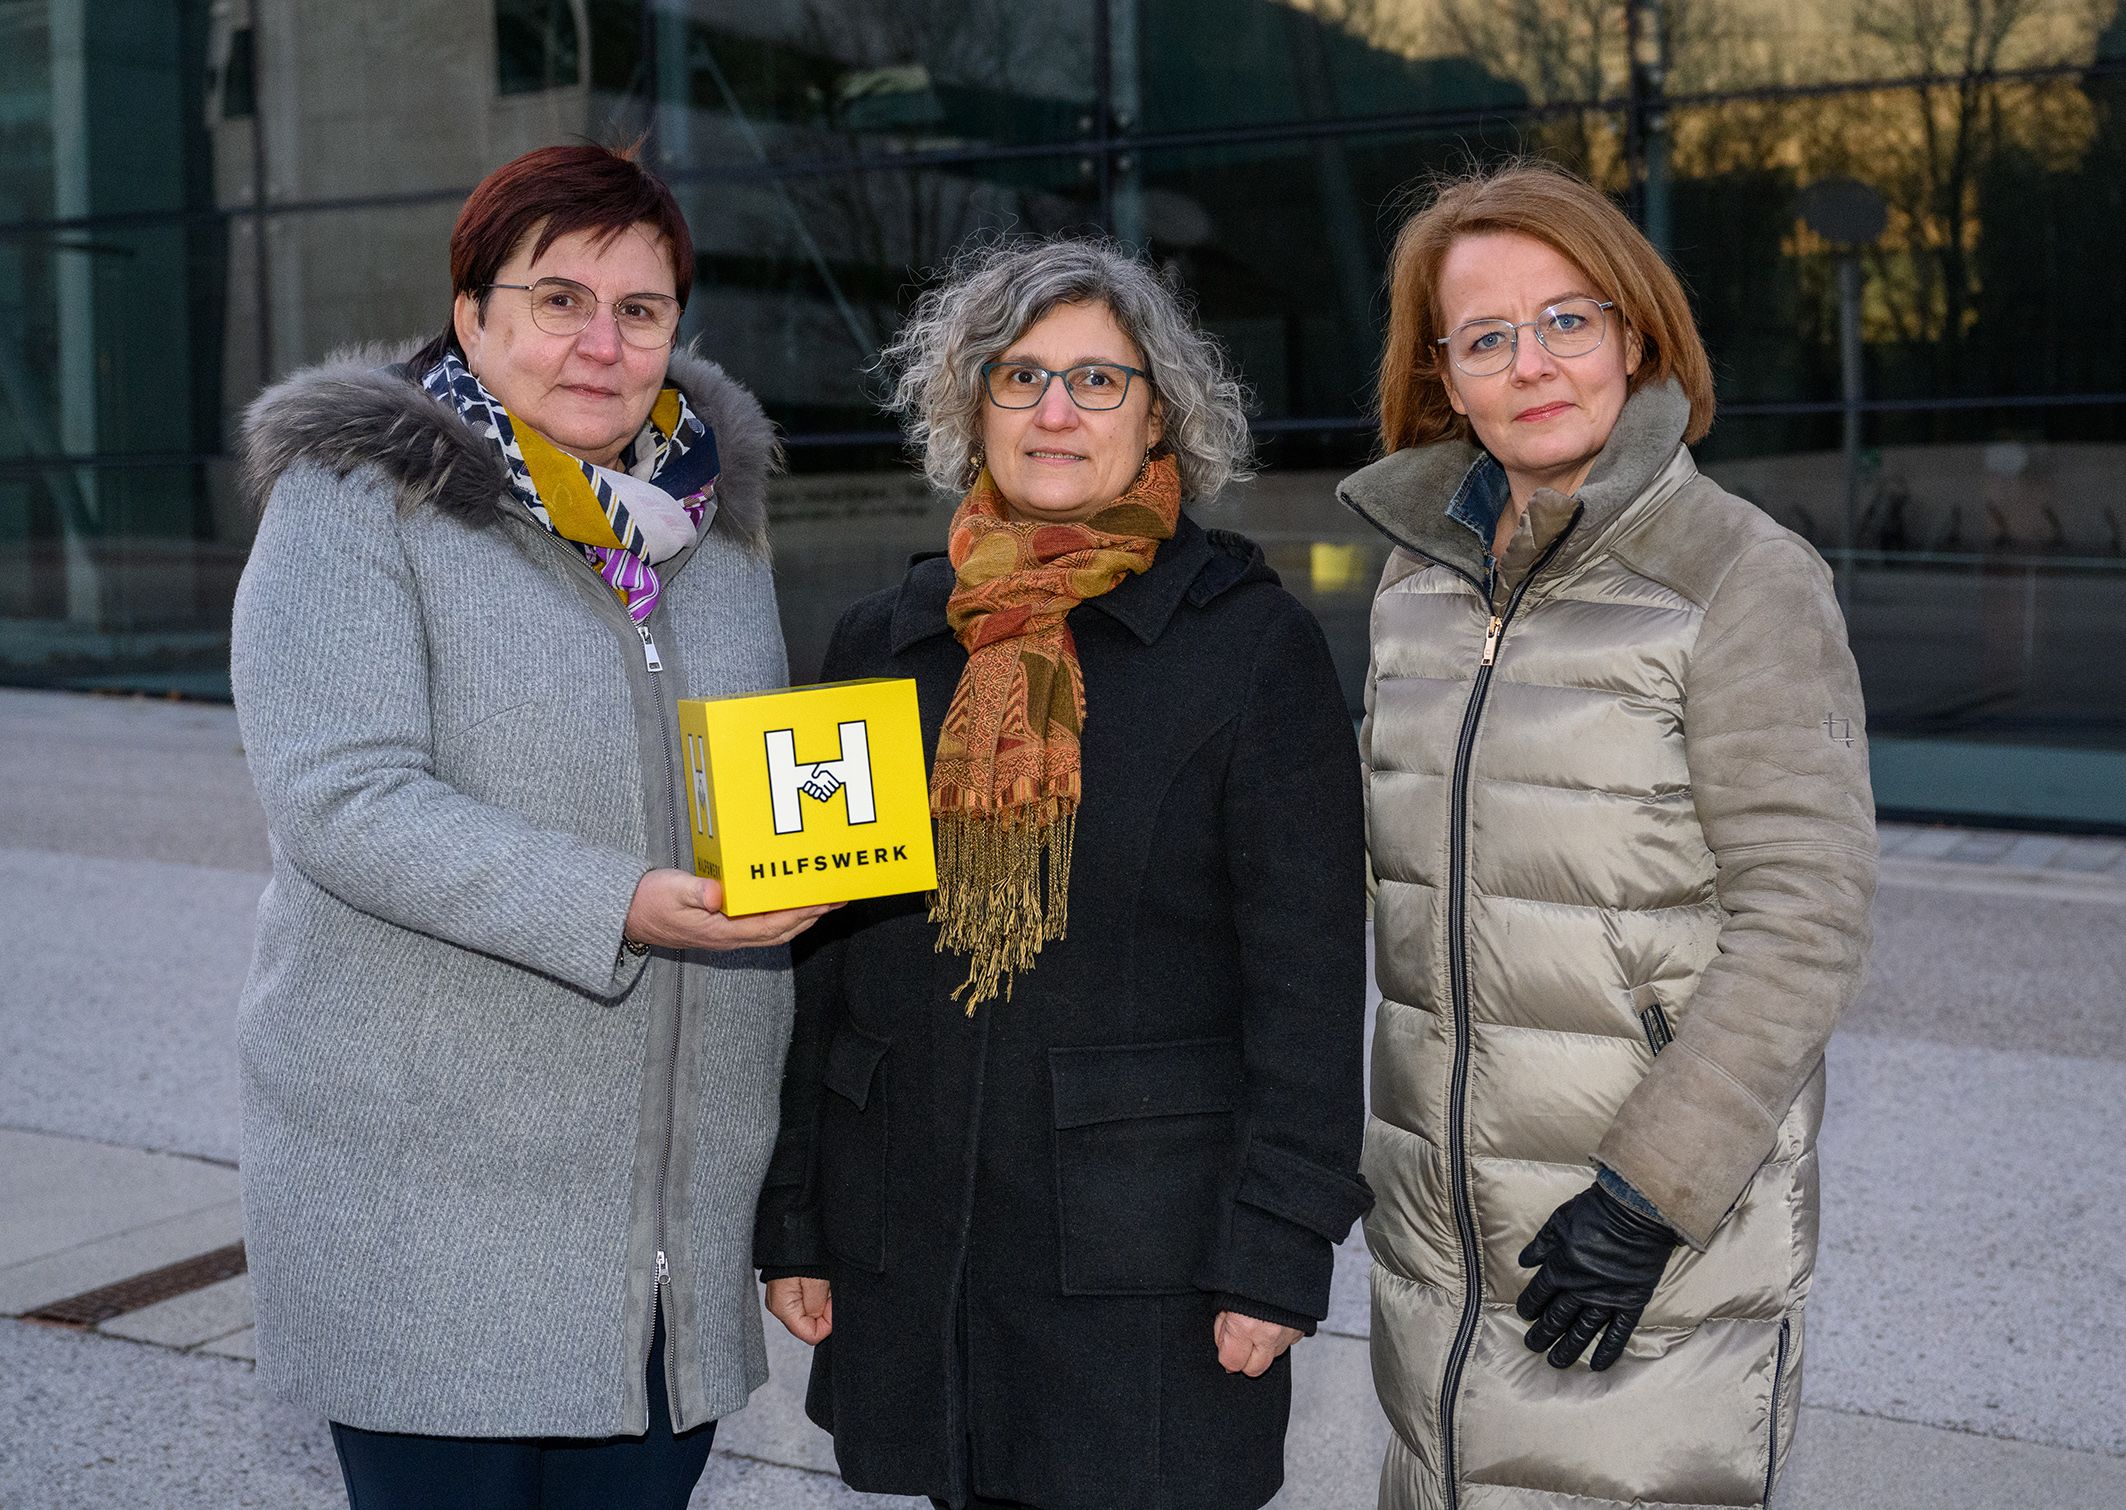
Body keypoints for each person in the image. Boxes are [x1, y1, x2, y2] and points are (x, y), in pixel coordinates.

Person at [230, 142, 832, 1510]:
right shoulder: (354, 503)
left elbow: (753, 783)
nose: (601, 343)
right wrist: (620, 897)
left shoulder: (716, 531)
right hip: (435, 1213)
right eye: (558, 299)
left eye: (641, 309)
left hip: (664, 1233)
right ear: (473, 316)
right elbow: (344, 798)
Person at [751, 238, 1373, 1510]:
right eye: (1018, 375)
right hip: (914, 1241)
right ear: (967, 405)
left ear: (1159, 414)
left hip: (1146, 1265)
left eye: (1097, 381)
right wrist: (796, 1215)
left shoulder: (1251, 646)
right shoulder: (881, 639)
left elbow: (1308, 985)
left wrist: (1278, 1247)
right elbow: (817, 962)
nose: (1052, 411)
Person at [1344, 160, 1877, 1510]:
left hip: (1645, 1238)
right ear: (1444, 379)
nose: (1533, 363)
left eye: (1568, 318)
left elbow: (1802, 918)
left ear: (1636, 337)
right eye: (1486, 336)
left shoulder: (1741, 577)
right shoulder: (1413, 591)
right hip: (1438, 1248)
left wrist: (1650, 1191)